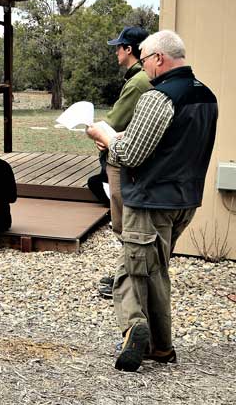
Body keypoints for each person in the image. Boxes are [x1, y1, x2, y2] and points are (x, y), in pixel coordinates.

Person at [87, 30, 217, 372]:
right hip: (185, 200)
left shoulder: (158, 99)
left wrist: (106, 137)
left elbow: (130, 154)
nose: (144, 68)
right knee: (155, 269)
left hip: (150, 200)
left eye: (144, 60)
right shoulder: (207, 96)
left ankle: (134, 326)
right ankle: (161, 347)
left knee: (131, 270)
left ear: (159, 58)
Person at [91, 26, 153, 299]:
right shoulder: (140, 78)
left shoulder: (138, 81)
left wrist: (96, 131)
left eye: (118, 46)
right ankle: (126, 275)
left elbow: (114, 122)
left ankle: (128, 280)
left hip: (123, 160)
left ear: (129, 49)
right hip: (129, 157)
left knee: (123, 224)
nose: (116, 51)